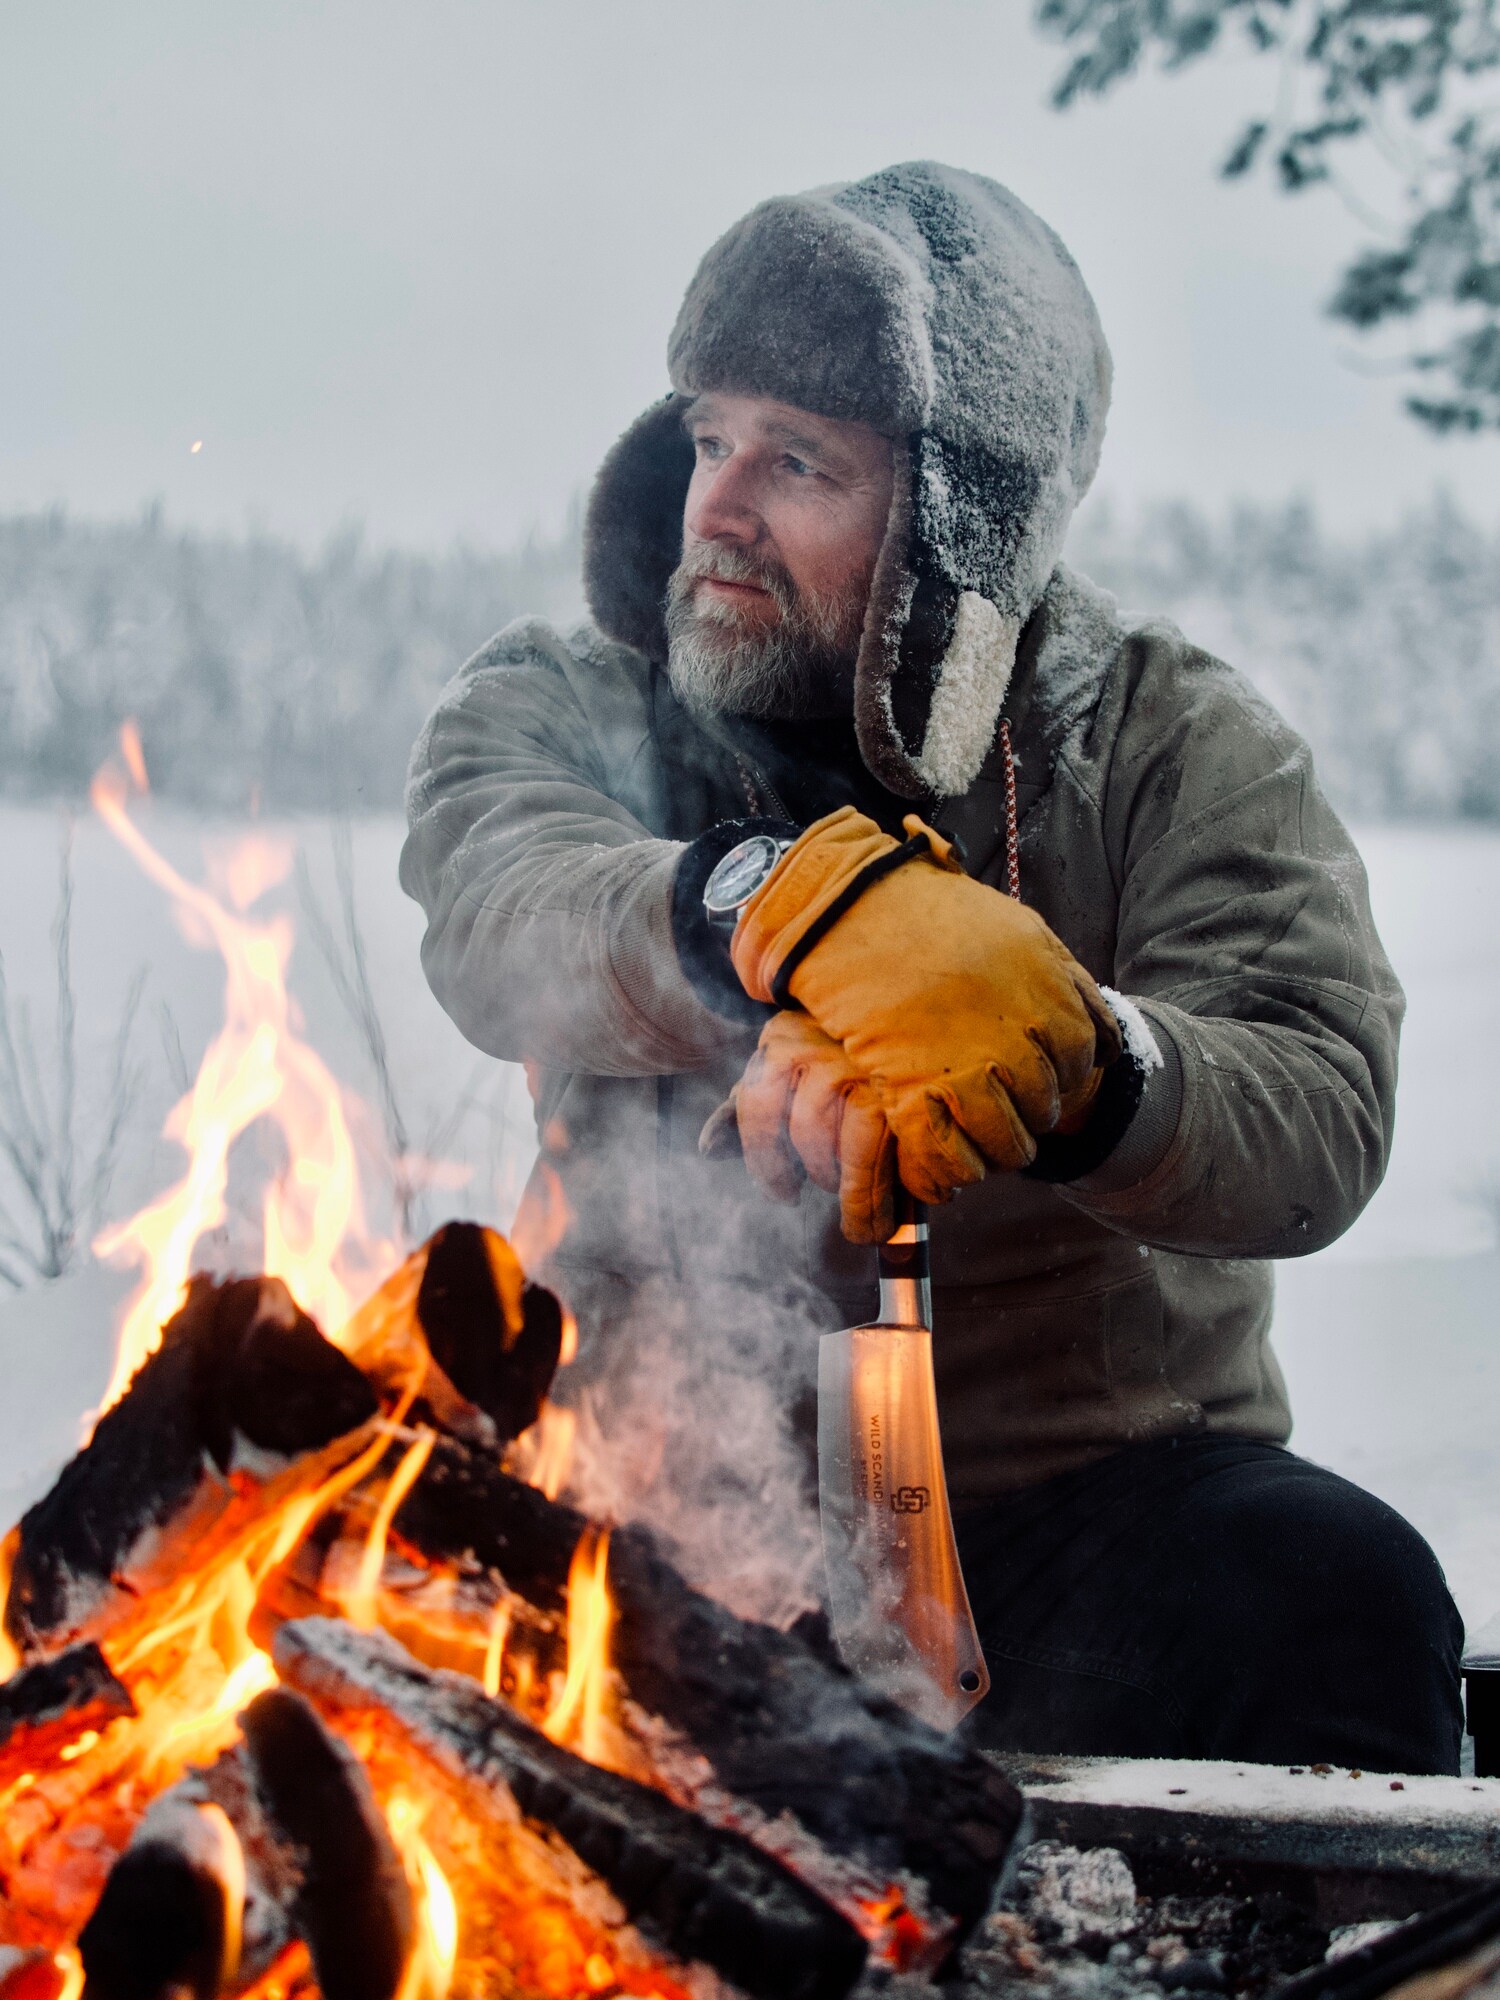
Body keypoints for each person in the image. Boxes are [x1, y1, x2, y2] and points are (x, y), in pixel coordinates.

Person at [402, 162, 1463, 1773]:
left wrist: (1077, 1066)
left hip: (1086, 1499)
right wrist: (774, 910)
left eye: (797, 461)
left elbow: (1317, 1102)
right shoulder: (573, 697)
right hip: (671, 1500)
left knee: (1340, 1592)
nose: (716, 507)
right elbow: (500, 891)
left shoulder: (1165, 739)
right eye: (708, 438)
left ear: (956, 522)